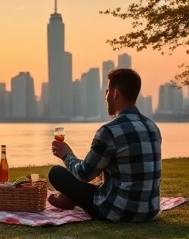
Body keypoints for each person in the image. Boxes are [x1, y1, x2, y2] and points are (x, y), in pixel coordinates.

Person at [48, 68, 162, 222]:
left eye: (107, 91)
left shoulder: (109, 131)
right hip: (149, 211)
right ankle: (68, 198)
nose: (105, 96)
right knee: (93, 185)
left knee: (56, 173)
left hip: (117, 212)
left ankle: (68, 199)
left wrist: (66, 155)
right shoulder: (152, 127)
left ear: (115, 94)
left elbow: (84, 174)